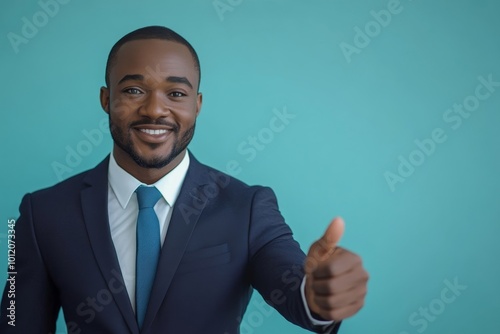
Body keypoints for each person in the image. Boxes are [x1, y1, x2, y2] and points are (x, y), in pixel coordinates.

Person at [0, 26, 368, 333]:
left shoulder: (248, 207)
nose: (155, 109)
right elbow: (15, 319)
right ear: (105, 99)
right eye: (133, 90)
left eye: (176, 93)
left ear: (197, 105)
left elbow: (293, 286)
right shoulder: (37, 212)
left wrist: (318, 296)